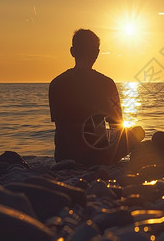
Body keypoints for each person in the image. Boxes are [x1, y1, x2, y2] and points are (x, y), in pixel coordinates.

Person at [49, 29, 144, 165]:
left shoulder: (56, 83)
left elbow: (61, 126)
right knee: (138, 132)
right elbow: (116, 124)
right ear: (97, 54)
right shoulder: (107, 83)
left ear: (72, 51)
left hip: (64, 155)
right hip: (98, 156)